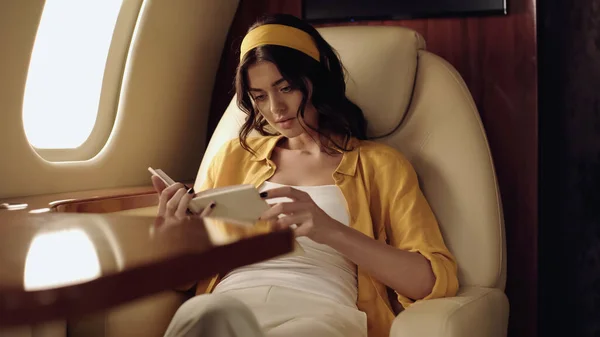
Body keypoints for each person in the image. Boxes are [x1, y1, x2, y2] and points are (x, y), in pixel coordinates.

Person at [151, 13, 458, 337]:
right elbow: (186, 280)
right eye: (259, 96)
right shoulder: (232, 158)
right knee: (202, 311)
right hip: (230, 304)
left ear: (316, 81)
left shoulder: (381, 166)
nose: (275, 108)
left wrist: (330, 230)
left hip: (318, 312)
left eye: (286, 88)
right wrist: (175, 237)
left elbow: (431, 280)